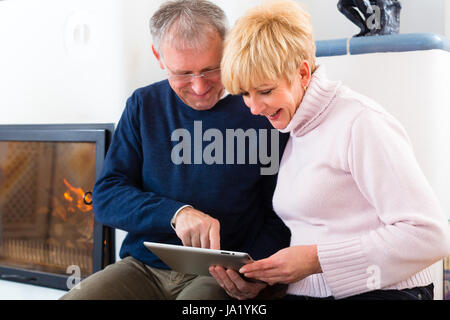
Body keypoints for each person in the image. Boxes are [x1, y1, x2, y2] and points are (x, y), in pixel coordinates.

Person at [215, 0, 450, 300]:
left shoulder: (360, 122)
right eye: (245, 93)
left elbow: (430, 236)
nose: (254, 107)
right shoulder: (295, 128)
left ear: (302, 73)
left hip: (386, 291)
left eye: (265, 91)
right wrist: (263, 279)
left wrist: (316, 260)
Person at [60, 0, 290, 300]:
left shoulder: (259, 108)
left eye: (211, 69)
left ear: (228, 48)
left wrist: (258, 272)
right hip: (144, 267)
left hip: (224, 273)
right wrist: (176, 214)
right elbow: (107, 197)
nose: (198, 87)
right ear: (158, 57)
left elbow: (285, 213)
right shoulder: (143, 106)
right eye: (182, 73)